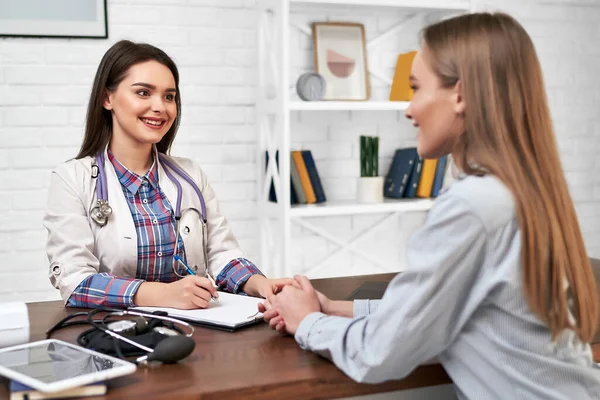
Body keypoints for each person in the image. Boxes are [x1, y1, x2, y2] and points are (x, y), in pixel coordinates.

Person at [260, 12, 600, 399]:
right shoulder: (522, 189)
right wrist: (334, 308)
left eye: (416, 88)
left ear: (460, 94)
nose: (408, 109)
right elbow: (442, 312)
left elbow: (380, 352)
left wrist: (308, 322)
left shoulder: (474, 205)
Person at [44, 40, 290, 309]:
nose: (160, 106)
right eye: (143, 93)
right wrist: (160, 295)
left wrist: (259, 284)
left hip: (197, 330)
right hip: (116, 333)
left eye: (169, 96)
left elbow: (221, 254)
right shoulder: (72, 178)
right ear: (107, 98)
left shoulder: (191, 175)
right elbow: (74, 280)